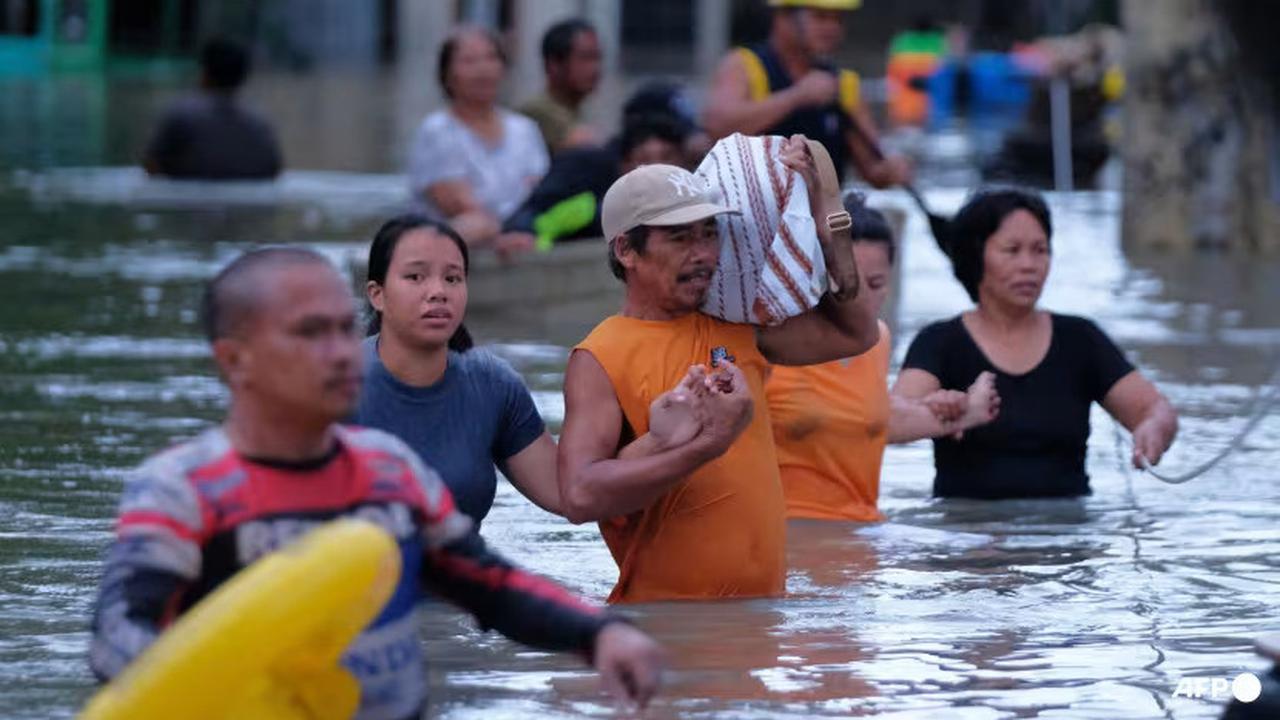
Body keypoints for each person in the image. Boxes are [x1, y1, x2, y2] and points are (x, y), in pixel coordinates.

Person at [88, 247, 663, 720]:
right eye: (310, 333)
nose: (341, 353)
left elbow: (486, 585)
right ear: (235, 360)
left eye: (344, 329)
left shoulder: (386, 473)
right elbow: (115, 638)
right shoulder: (182, 491)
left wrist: (598, 633)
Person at [556, 136, 882, 604]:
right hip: (668, 624)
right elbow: (579, 496)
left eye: (710, 233)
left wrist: (827, 218)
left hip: (760, 620)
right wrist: (705, 445)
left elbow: (856, 334)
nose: (704, 253)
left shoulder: (739, 326)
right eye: (680, 237)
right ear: (627, 250)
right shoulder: (599, 355)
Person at [353, 214, 707, 527]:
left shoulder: (491, 385)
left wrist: (659, 440)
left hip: (455, 581)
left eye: (453, 278)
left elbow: (571, 495)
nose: (437, 292)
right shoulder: (334, 383)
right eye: (415, 277)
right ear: (376, 295)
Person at [893, 189, 1179, 499]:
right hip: (969, 524)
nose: (1028, 265)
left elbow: (1153, 408)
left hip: (1067, 523)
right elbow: (890, 420)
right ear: (975, 256)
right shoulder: (939, 342)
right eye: (1012, 250)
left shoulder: (1080, 339)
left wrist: (1154, 429)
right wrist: (938, 409)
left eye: (1040, 250)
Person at [765, 195, 1001, 523]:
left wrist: (956, 413)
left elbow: (865, 418)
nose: (859, 297)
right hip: (786, 530)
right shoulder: (769, 340)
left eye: (875, 284)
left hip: (863, 527)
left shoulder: (878, 339)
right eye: (845, 281)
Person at [702, 0, 911, 187]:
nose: (832, 28)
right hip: (755, 212)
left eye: (838, 19)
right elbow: (717, 127)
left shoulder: (843, 84)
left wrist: (892, 170)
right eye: (820, 17)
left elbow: (872, 169)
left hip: (821, 215)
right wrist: (797, 97)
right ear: (783, 16)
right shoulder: (744, 65)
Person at [408, 26, 548, 254]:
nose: (483, 69)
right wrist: (501, 234)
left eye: (491, 58)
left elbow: (538, 192)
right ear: (447, 75)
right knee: (476, 225)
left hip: (522, 230)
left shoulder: (525, 129)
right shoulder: (437, 130)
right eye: (469, 61)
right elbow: (457, 204)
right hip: (464, 238)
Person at [500, 116, 687, 250]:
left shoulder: (691, 202)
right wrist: (521, 233)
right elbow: (535, 211)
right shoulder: (589, 200)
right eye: (644, 159)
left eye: (667, 157)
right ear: (624, 165)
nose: (656, 168)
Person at [142, 37, 282, 180]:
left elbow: (151, 165)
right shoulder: (259, 123)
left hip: (187, 194)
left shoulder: (181, 115)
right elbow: (273, 169)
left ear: (204, 73)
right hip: (245, 194)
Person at [518, 18, 603, 154]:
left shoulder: (575, 111)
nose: (595, 68)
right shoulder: (536, 112)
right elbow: (586, 146)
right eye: (585, 58)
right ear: (554, 65)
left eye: (597, 58)